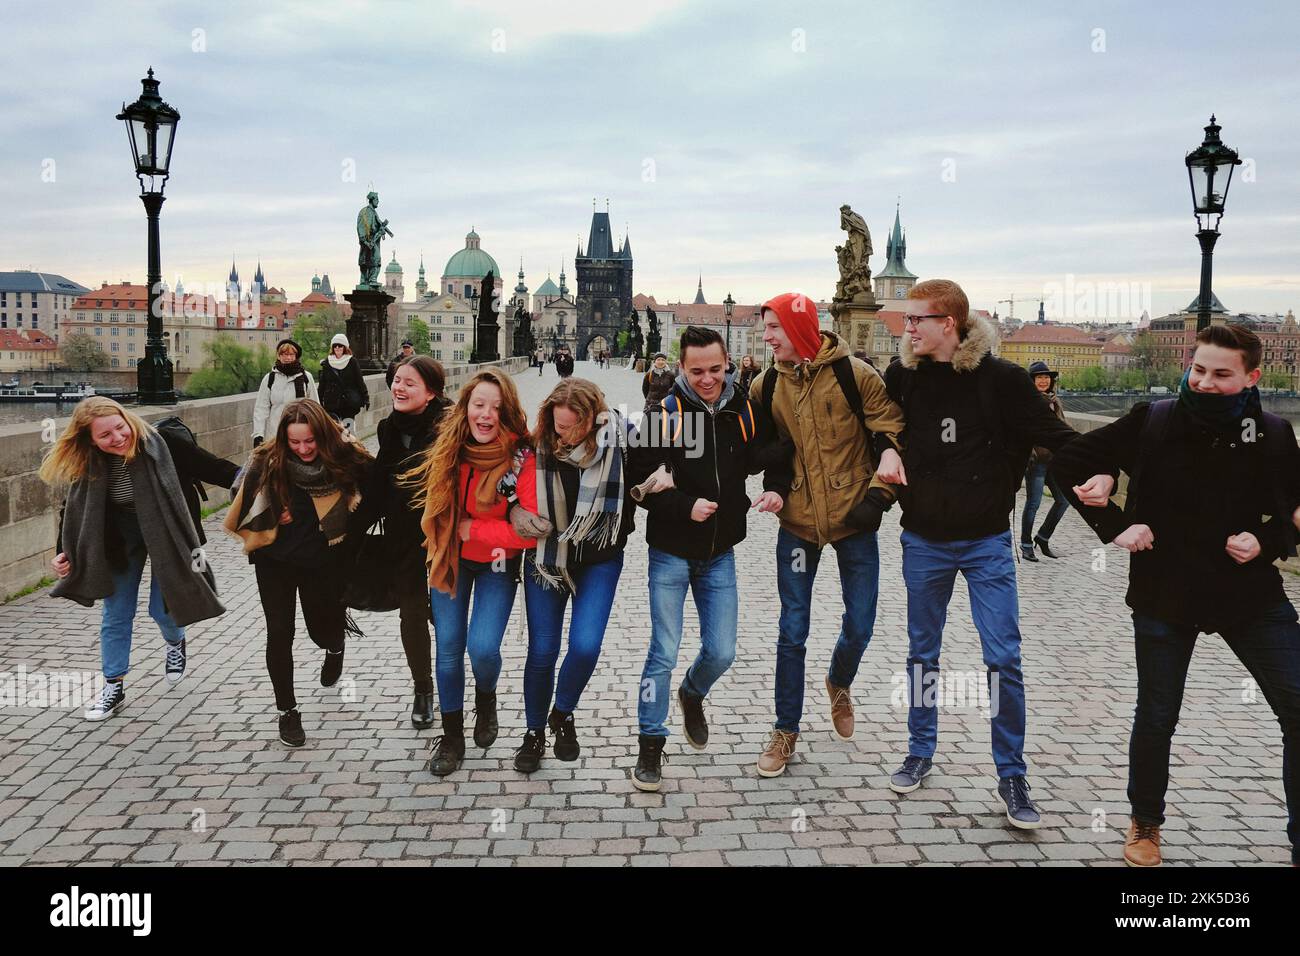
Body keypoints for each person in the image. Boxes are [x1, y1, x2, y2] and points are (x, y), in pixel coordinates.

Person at [1050, 323, 1300, 867]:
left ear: (1252, 377)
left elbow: (1296, 514)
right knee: (1158, 712)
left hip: (1249, 595)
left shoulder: (1275, 433)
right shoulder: (1154, 420)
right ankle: (1145, 824)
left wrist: (1268, 540)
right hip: (1165, 591)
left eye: (1220, 374)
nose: (1205, 382)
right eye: (1198, 369)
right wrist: (1115, 525)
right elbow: (1063, 463)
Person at [881, 279, 1076, 829]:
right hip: (923, 539)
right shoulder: (904, 376)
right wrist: (887, 453)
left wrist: (1104, 469)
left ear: (951, 325)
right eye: (907, 319)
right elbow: (877, 426)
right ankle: (920, 750)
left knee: (1002, 657)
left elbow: (1056, 435)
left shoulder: (1004, 380)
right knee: (923, 653)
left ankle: (1011, 773)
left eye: (918, 319)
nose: (908, 327)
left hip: (988, 541)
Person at [750, 292, 906, 776]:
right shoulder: (766, 383)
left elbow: (894, 435)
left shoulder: (854, 374)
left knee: (861, 621)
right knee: (792, 629)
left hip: (854, 515)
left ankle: (839, 681)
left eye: (775, 328)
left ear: (799, 329)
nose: (767, 337)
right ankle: (785, 730)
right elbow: (754, 442)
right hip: (797, 521)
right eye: (766, 327)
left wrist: (877, 499)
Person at [626, 326, 788, 791]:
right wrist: (684, 507)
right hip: (671, 553)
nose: (707, 379)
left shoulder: (742, 409)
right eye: (696, 371)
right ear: (681, 368)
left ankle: (692, 693)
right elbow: (638, 483)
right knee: (664, 651)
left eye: (715, 369)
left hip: (720, 552)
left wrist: (776, 485)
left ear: (728, 364)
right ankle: (650, 745)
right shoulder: (663, 415)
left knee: (722, 651)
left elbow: (767, 452)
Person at [42, 398, 230, 721]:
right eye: (105, 436)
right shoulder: (87, 461)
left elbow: (213, 467)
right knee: (116, 613)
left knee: (164, 608)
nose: (117, 438)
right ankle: (113, 684)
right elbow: (70, 509)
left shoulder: (163, 443)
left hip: (167, 532)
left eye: (120, 427)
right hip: (121, 537)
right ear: (90, 440)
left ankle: (175, 642)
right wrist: (63, 549)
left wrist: (259, 478)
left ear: (127, 419)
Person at [406, 367, 538, 777]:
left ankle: (486, 696)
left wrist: (474, 528)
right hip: (452, 560)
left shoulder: (522, 457)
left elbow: (530, 530)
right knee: (448, 648)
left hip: (497, 561)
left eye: (496, 408)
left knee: (482, 648)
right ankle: (451, 737)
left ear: (508, 412)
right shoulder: (448, 449)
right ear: (465, 409)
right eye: (478, 405)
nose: (486, 415)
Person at [225, 399, 371, 748]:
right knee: (279, 632)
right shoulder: (266, 459)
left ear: (322, 434)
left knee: (322, 629)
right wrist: (274, 509)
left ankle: (334, 647)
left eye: (310, 441)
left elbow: (378, 484)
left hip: (322, 560)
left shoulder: (344, 456)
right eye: (295, 442)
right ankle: (287, 711)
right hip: (274, 560)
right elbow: (238, 493)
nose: (303, 449)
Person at [510, 378, 637, 773]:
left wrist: (661, 478)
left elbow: (673, 449)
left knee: (585, 646)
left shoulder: (624, 437)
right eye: (556, 425)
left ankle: (562, 713)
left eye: (569, 428)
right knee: (543, 651)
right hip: (546, 560)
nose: (560, 435)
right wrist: (515, 509)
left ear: (593, 421)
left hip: (600, 558)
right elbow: (504, 486)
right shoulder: (533, 445)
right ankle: (533, 733)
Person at [356, 356, 451, 729]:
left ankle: (453, 684)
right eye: (397, 380)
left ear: (431, 393)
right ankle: (423, 689)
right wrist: (348, 532)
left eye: (410, 383)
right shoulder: (389, 429)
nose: (399, 387)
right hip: (403, 536)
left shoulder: (451, 427)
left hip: (444, 536)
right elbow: (380, 483)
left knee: (445, 615)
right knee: (410, 611)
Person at [1019, 360, 1071, 561]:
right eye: (1039, 377)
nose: (1043, 380)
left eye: (1046, 377)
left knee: (1064, 500)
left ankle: (1043, 537)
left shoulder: (1055, 401)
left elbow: (1063, 427)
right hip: (1037, 460)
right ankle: (1026, 544)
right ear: (1032, 380)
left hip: (1054, 460)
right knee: (1034, 503)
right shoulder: (1027, 403)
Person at [254, 339, 319, 447]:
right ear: (278, 356)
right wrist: (258, 435)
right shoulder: (270, 378)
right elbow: (261, 408)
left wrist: (318, 431)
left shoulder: (306, 377)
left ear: (296, 356)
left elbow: (315, 406)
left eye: (291, 354)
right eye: (284, 354)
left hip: (300, 435)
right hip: (275, 434)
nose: (288, 358)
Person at [318, 333, 369, 427]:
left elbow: (359, 381)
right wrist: (319, 399)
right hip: (332, 402)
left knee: (348, 430)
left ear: (345, 347)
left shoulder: (352, 362)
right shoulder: (327, 363)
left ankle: (349, 441)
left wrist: (365, 397)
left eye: (340, 345)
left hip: (348, 402)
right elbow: (323, 383)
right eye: (335, 346)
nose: (337, 348)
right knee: (334, 430)